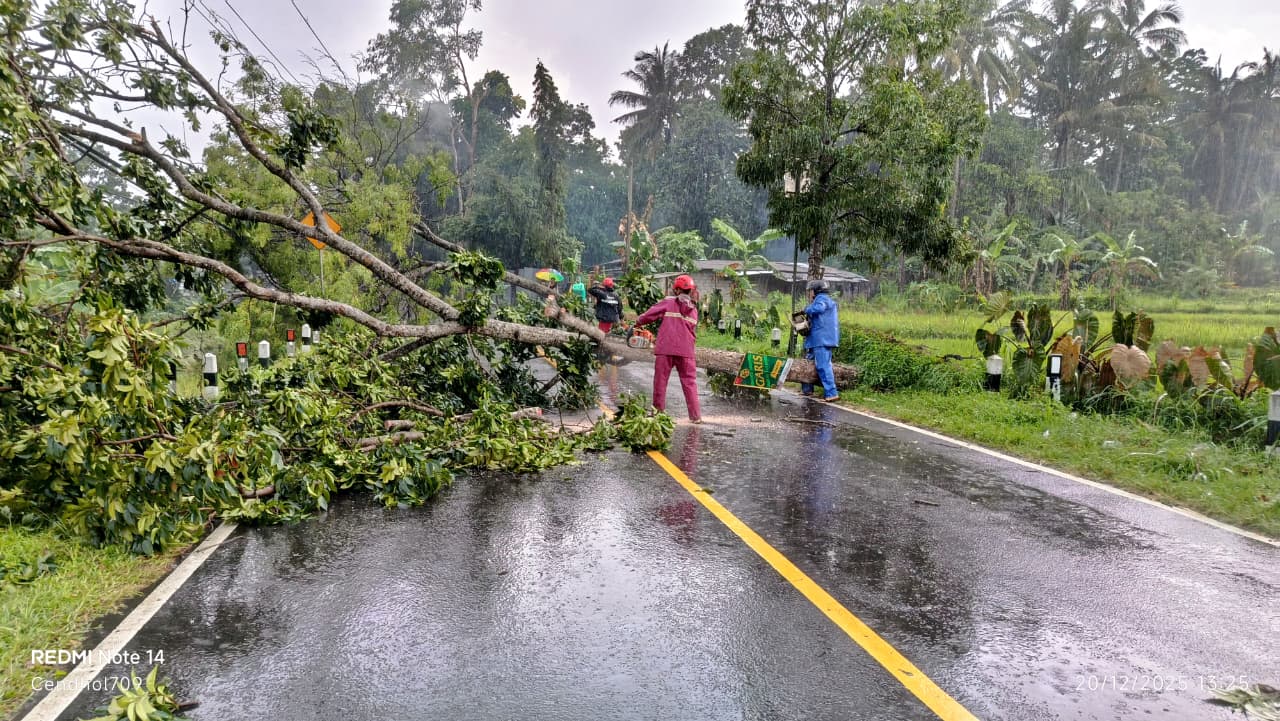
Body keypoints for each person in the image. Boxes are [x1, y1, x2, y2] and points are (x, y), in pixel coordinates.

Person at [635, 274, 701, 423]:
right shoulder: (694, 310)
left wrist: (638, 322)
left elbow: (649, 315)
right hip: (686, 352)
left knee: (661, 381)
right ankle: (695, 417)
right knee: (690, 383)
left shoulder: (668, 302)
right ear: (691, 290)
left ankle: (658, 414)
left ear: (677, 290)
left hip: (666, 349)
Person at [800, 278, 839, 401]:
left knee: (823, 365)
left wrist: (806, 309)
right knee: (808, 363)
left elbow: (819, 308)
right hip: (817, 339)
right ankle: (807, 389)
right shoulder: (826, 299)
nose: (810, 293)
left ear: (817, 290)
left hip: (821, 339)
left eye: (811, 290)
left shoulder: (821, 299)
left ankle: (831, 393)